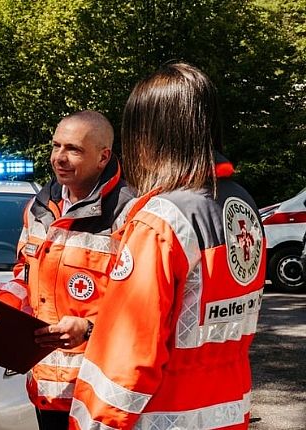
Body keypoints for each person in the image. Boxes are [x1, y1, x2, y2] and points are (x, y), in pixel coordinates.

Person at [69, 62, 266, 430]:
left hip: (162, 417)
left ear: (152, 136)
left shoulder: (161, 221)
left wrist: (90, 424)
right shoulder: (240, 205)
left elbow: (126, 355)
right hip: (228, 413)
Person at [0, 110, 134, 430]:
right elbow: (23, 275)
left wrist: (88, 327)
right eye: (56, 146)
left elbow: (140, 306)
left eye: (74, 149)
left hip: (100, 392)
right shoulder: (38, 208)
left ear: (103, 157)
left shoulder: (128, 214)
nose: (60, 157)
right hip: (46, 389)